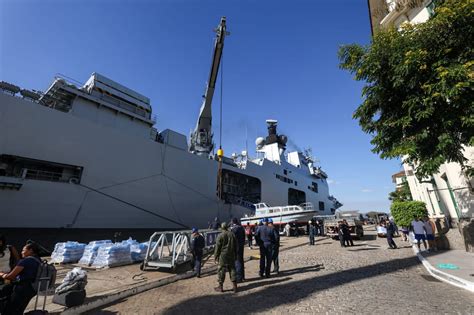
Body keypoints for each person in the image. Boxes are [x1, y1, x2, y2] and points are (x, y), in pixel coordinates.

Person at [0, 242, 41, 315]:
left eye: (23, 250)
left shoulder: (25, 261)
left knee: (9, 310)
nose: (21, 252)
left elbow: (10, 276)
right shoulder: (38, 260)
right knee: (19, 310)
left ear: (31, 250)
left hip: (22, 288)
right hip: (32, 288)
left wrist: (1, 274)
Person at [214, 222, 238, 293]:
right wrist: (236, 254)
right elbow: (236, 246)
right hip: (231, 254)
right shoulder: (232, 234)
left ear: (221, 227)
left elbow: (217, 247)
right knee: (232, 269)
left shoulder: (220, 235)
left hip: (223, 255)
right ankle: (235, 287)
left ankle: (220, 287)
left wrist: (216, 256)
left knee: (221, 270)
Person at [230, 218, 246, 282]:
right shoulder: (241, 228)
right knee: (241, 260)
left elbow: (232, 238)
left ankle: (239, 278)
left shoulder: (234, 229)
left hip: (236, 247)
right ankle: (243, 276)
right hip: (241, 246)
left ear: (232, 222)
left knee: (237, 262)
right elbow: (244, 237)